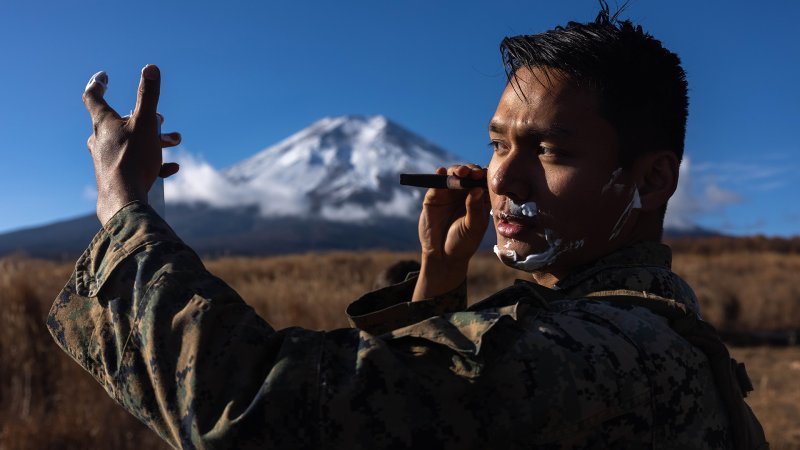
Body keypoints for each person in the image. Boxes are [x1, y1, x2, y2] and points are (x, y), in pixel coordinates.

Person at [47, 6, 767, 450]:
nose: (503, 179)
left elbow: (251, 410)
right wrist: (438, 282)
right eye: (497, 144)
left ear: (652, 180)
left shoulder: (596, 355)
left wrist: (122, 205)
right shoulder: (649, 325)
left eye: (549, 151)